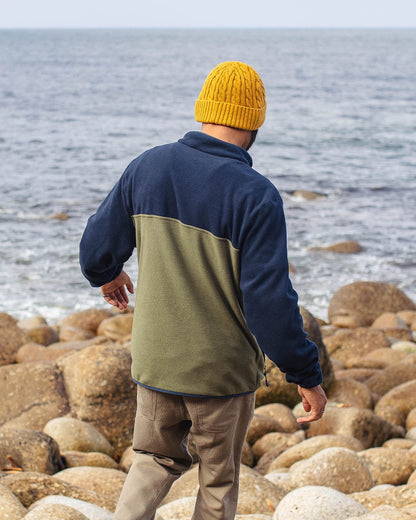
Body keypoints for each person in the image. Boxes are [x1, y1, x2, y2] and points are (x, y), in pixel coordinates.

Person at [79, 61, 327, 520]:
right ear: (255, 122)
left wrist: (106, 274)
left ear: (204, 111)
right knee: (217, 481)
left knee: (152, 461)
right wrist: (305, 374)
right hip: (220, 374)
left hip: (156, 360)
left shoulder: (148, 166)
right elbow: (269, 302)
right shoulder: (256, 195)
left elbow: (96, 246)